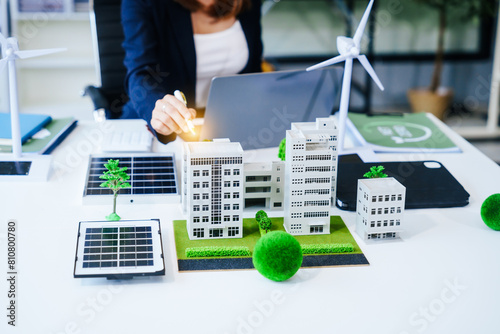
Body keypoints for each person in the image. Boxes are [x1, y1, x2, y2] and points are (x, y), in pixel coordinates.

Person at [121, 0, 263, 143]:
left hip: (226, 126)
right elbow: (139, 73)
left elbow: (253, 70)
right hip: (156, 127)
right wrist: (157, 108)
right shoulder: (144, 3)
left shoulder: (246, 3)